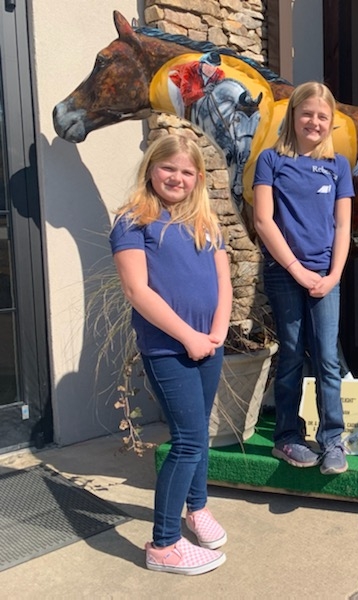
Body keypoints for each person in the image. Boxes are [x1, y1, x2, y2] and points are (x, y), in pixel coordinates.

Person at [110, 134, 232, 575]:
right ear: (151, 169)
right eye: (169, 168)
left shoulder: (206, 222)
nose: (177, 177)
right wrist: (189, 337)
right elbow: (136, 290)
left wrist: (217, 332)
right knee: (188, 441)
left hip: (209, 345)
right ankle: (163, 544)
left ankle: (196, 508)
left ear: (198, 177)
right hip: (167, 349)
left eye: (186, 171)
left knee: (198, 432)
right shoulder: (133, 221)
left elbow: (223, 284)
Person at [252, 81, 354, 475]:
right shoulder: (271, 160)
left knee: (328, 358)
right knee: (292, 356)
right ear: (293, 116)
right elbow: (263, 220)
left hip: (327, 278)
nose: (314, 121)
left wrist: (333, 276)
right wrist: (296, 269)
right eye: (307, 113)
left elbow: (343, 226)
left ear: (331, 123)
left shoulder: (338, 166)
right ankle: (287, 438)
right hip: (284, 275)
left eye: (322, 116)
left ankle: (333, 441)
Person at [168, 51, 226, 121]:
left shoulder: (220, 74)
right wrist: (203, 91)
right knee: (181, 111)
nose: (211, 69)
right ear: (201, 64)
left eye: (215, 66)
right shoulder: (189, 69)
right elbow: (186, 98)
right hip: (176, 83)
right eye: (208, 65)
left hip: (198, 87)